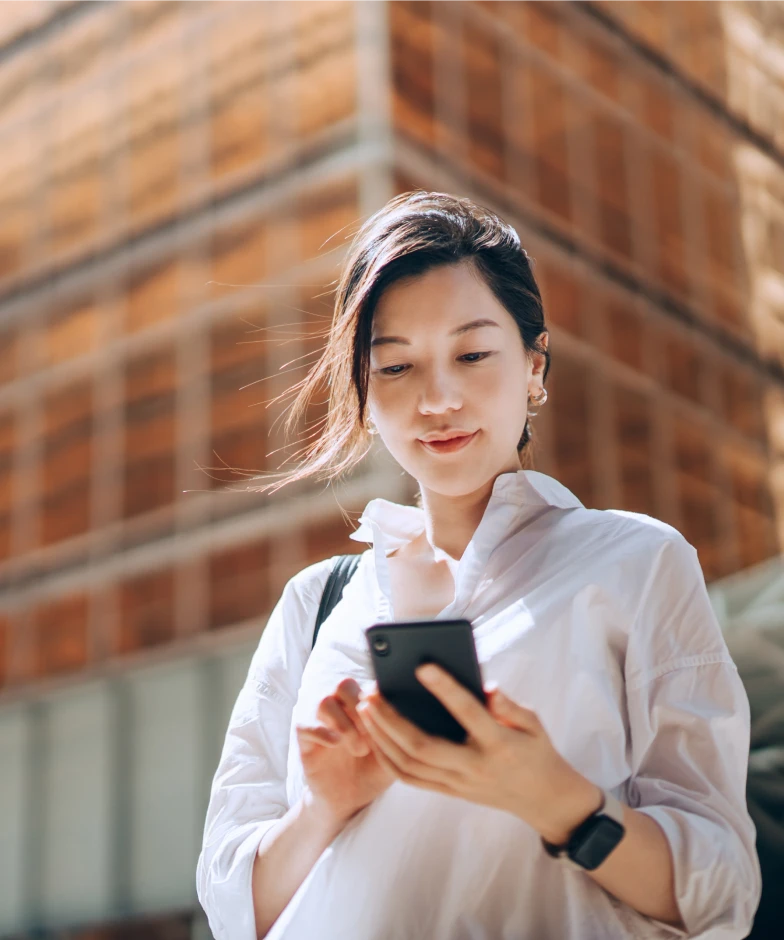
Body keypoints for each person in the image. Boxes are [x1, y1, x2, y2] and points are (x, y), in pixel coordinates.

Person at [195, 191, 761, 939]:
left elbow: (720, 889)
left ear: (534, 365)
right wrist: (323, 807)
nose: (437, 400)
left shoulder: (637, 563)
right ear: (364, 392)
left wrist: (559, 802)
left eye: (471, 355)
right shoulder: (317, 602)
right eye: (396, 366)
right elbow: (234, 907)